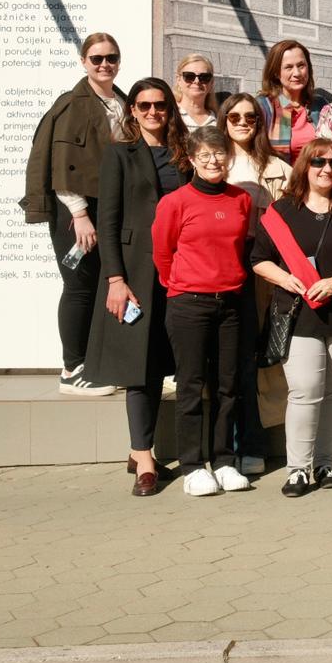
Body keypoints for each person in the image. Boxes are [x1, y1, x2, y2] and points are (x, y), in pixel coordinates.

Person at [251, 141, 332, 496]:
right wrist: (285, 279)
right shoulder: (281, 211)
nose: (327, 169)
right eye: (318, 162)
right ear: (304, 167)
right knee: (305, 391)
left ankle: (326, 463)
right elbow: (259, 259)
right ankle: (298, 469)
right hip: (299, 313)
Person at [82, 78, 188, 495]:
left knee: (170, 362)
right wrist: (115, 279)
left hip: (180, 270)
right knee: (139, 366)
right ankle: (144, 457)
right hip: (135, 274)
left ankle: (155, 451)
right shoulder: (119, 154)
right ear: (133, 111)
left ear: (169, 108)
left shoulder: (184, 154)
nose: (152, 112)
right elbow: (107, 221)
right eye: (144, 105)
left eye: (160, 105)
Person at [152, 126, 255, 496]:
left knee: (228, 386)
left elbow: (241, 248)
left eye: (219, 153)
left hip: (230, 303)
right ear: (192, 160)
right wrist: (183, 284)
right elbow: (162, 253)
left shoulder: (242, 199)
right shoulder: (175, 202)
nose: (213, 161)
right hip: (189, 304)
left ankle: (224, 460)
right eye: (205, 155)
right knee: (191, 386)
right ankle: (193, 466)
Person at [23, 32, 127, 396]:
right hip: (77, 211)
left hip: (107, 207)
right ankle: (71, 368)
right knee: (79, 285)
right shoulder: (72, 104)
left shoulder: (121, 102)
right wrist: (80, 215)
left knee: (101, 285)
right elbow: (62, 164)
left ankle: (95, 363)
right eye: (97, 58)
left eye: (111, 58)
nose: (104, 64)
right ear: (84, 62)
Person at [220, 91, 291, 476]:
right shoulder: (210, 163)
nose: (243, 123)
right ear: (224, 121)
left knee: (255, 358)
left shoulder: (279, 169)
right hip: (220, 271)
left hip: (263, 272)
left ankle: (252, 444)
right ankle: (224, 449)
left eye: (250, 117)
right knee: (227, 360)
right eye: (235, 117)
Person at [258, 39, 328, 163]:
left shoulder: (320, 105)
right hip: (281, 175)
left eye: (301, 65)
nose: (297, 73)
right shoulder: (264, 106)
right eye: (289, 67)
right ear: (276, 73)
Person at [173, 53, 219, 129]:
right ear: (178, 80)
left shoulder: (219, 121)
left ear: (212, 83)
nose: (197, 81)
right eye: (189, 76)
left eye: (204, 77)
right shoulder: (169, 115)